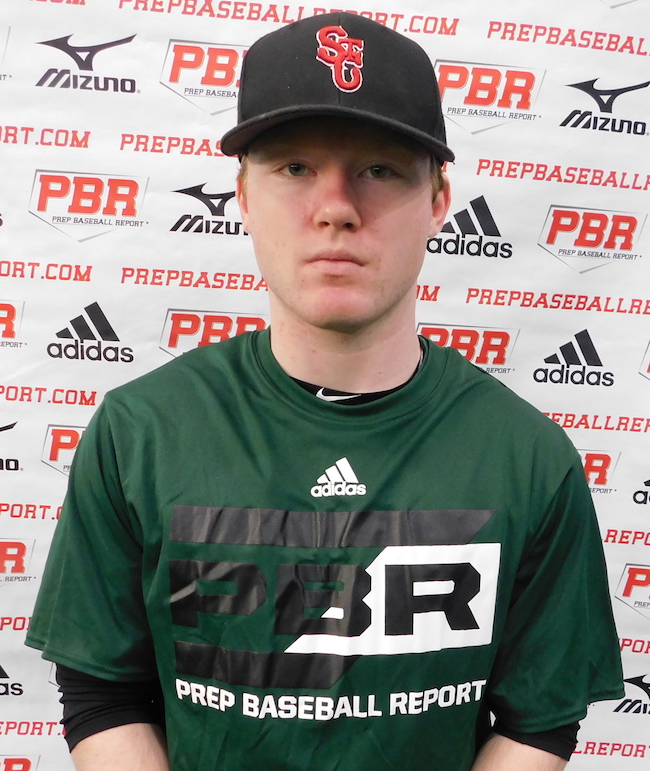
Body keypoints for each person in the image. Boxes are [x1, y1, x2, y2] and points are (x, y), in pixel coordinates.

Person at [26, 13, 623, 771]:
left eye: (380, 169)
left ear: (439, 198)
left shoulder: (527, 456)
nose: (336, 207)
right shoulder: (140, 431)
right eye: (294, 168)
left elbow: (542, 718)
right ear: (243, 195)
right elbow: (101, 692)